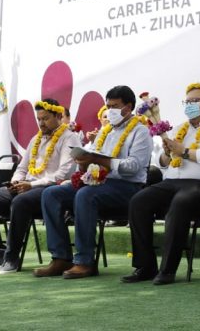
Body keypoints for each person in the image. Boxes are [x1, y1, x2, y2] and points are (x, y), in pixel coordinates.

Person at [123, 83, 200, 284]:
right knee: (138, 201)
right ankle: (145, 266)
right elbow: (160, 162)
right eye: (187, 102)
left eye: (195, 101)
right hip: (174, 183)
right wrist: (168, 154)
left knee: (181, 201)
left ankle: (167, 270)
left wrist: (183, 151)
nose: (189, 105)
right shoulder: (179, 128)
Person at [35, 85, 151, 279]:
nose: (109, 110)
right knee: (51, 194)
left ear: (128, 107)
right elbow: (93, 161)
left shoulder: (140, 131)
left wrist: (99, 161)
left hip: (128, 187)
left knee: (85, 195)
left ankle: (84, 261)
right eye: (108, 106)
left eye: (114, 106)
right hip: (99, 182)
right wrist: (83, 163)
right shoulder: (106, 132)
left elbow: (133, 167)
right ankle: (61, 257)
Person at [0, 98, 80, 273]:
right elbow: (22, 167)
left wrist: (31, 184)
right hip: (26, 186)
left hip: (49, 189)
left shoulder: (69, 137)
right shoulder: (35, 138)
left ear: (59, 116)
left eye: (45, 119)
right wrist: (15, 182)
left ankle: (11, 257)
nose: (41, 123)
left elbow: (63, 174)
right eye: (39, 119)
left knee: (21, 201)